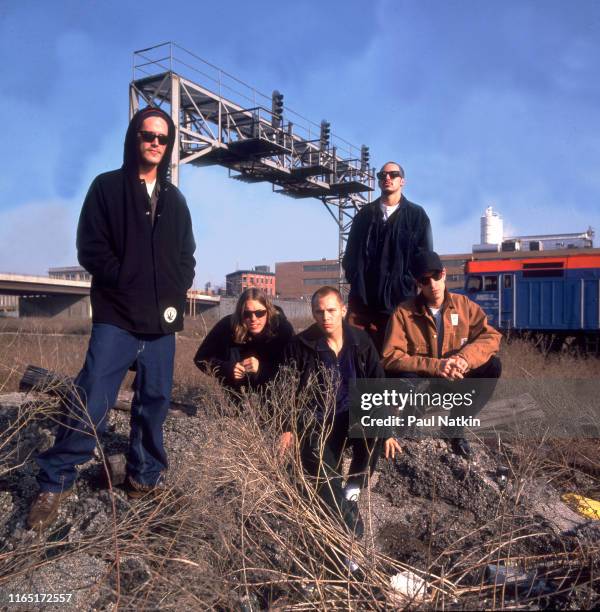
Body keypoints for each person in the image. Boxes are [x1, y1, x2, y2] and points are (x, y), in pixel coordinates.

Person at [28, 106, 196, 530]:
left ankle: (144, 478)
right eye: (147, 135)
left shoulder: (175, 200)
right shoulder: (106, 188)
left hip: (162, 321)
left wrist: (177, 286)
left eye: (162, 137)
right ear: (133, 138)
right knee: (93, 399)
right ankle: (56, 481)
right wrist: (123, 279)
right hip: (117, 316)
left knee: (154, 402)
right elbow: (90, 247)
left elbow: (186, 255)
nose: (155, 142)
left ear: (169, 145)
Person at [280, 286, 401, 544]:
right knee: (324, 474)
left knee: (375, 428)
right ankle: (350, 527)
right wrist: (288, 429)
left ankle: (355, 486)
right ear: (313, 313)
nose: (325, 317)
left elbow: (377, 385)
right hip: (319, 420)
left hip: (354, 414)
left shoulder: (361, 341)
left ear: (343, 311)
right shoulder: (300, 345)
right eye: (319, 311)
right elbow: (287, 391)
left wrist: (387, 430)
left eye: (331, 310)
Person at [382, 251, 502, 458]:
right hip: (423, 381)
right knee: (405, 379)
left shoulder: (464, 306)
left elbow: (490, 337)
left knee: (493, 365)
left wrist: (464, 359)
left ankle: (453, 430)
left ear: (444, 274)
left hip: (455, 378)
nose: (433, 284)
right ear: (418, 283)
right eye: (425, 280)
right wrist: (435, 366)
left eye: (436, 276)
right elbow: (391, 356)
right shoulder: (403, 313)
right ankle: (405, 429)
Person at [342, 161, 433, 354]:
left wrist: (405, 283)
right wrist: (356, 281)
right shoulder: (364, 215)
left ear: (403, 181)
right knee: (356, 356)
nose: (387, 178)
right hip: (362, 304)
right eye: (382, 176)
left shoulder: (417, 216)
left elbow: (424, 259)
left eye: (393, 174)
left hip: (399, 303)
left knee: (394, 358)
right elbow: (350, 256)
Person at [194, 288, 294, 391]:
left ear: (268, 311)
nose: (253, 319)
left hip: (273, 397)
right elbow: (201, 358)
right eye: (247, 314)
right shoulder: (227, 326)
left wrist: (261, 369)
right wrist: (226, 369)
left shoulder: (282, 329)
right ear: (240, 313)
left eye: (259, 313)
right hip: (234, 399)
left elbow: (293, 369)